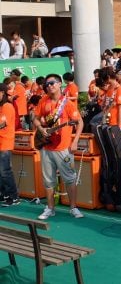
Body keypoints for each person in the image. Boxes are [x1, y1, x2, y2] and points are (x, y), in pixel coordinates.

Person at [33, 73, 84, 219]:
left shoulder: (67, 103)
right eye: (47, 84)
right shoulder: (43, 101)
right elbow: (35, 119)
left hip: (63, 148)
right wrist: (41, 129)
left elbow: (79, 122)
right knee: (48, 180)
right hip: (46, 147)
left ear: (60, 83)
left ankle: (73, 207)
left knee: (69, 178)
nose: (49, 86)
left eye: (52, 83)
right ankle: (50, 208)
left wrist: (75, 141)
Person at [0, 83, 20, 206]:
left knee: (5, 171)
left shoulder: (7, 106)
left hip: (5, 143)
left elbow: (2, 124)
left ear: (2, 93)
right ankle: (3, 194)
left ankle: (13, 196)